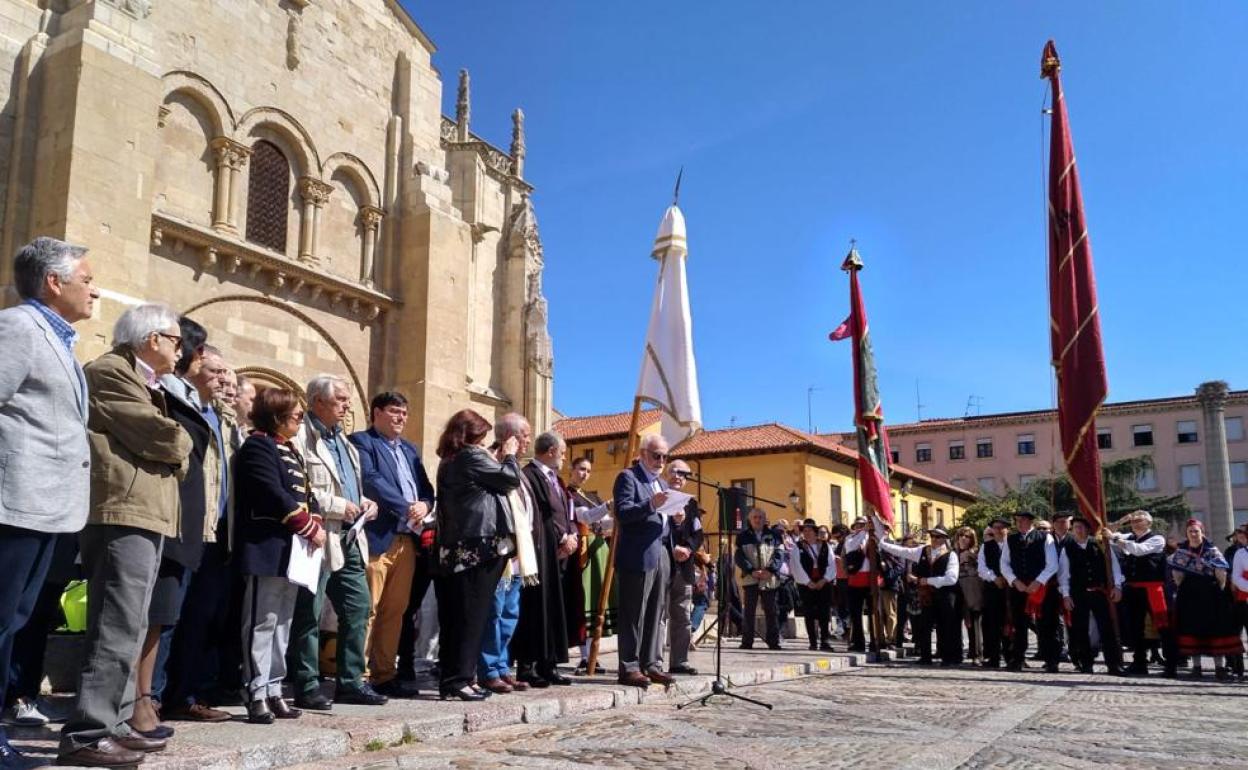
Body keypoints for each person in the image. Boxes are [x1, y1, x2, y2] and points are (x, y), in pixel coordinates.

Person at [58, 304, 193, 767]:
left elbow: (167, 443)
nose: (181, 351)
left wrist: (174, 446)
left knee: (132, 623)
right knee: (114, 624)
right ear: (152, 339)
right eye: (176, 341)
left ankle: (114, 723)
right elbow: (167, 438)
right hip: (122, 509)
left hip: (146, 511)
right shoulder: (110, 372)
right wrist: (179, 443)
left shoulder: (143, 380)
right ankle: (87, 732)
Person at [0, 237, 96, 764]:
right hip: (14, 502)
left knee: (13, 620)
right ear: (54, 283)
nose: (95, 291)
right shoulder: (19, 328)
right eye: (87, 280)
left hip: (44, 509)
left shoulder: (59, 340)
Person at [145, 333, 227, 729]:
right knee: (165, 616)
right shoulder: (172, 399)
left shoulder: (214, 415)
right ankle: (150, 699)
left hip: (211, 531)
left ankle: (181, 695)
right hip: (180, 525)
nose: (223, 379)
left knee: (196, 619)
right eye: (216, 371)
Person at [288, 375, 384, 710]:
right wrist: (337, 505)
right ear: (317, 401)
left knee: (358, 606)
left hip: (350, 536)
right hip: (318, 534)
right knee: (309, 612)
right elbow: (297, 486)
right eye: (340, 399)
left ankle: (351, 681)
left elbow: (349, 485)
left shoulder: (344, 441)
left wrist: (364, 502)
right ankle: (306, 683)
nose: (347, 405)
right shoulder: (300, 436)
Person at [234, 388, 323, 724]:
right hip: (266, 547)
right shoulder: (259, 445)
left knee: (283, 623)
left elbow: (305, 494)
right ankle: (255, 691)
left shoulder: (289, 449)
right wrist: (308, 526)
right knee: (261, 623)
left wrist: (314, 522)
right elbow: (270, 492)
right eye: (295, 412)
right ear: (276, 415)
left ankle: (274, 689)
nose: (300, 417)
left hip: (292, 551)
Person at [349, 392, 435, 698]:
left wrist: (424, 505)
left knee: (395, 611)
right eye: (395, 411)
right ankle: (358, 676)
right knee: (368, 608)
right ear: (377, 412)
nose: (401, 418)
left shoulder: (410, 450)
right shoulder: (362, 442)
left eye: (404, 413)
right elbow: (372, 480)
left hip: (406, 540)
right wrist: (406, 507)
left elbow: (426, 488)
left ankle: (385, 674)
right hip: (378, 537)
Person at [434, 409, 520, 701]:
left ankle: (453, 679)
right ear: (469, 436)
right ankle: (460, 680)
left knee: (458, 617)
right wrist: (509, 455)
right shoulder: (470, 456)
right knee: (471, 617)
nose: (484, 443)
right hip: (478, 547)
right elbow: (509, 479)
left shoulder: (451, 458)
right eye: (481, 437)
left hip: (459, 548)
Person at [477, 417, 539, 694]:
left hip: (517, 555)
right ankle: (488, 669)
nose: (528, 440)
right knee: (494, 613)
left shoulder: (518, 469)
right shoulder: (493, 463)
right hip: (499, 552)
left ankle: (502, 667)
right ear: (510, 437)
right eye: (524, 435)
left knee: (509, 614)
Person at [612, 434, 675, 688]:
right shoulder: (628, 477)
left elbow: (662, 519)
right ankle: (629, 667)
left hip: (660, 552)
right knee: (633, 613)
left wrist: (676, 518)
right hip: (637, 554)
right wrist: (650, 504)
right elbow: (622, 512)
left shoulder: (662, 482)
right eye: (656, 455)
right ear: (643, 454)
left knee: (655, 612)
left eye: (665, 457)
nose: (661, 461)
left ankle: (651, 664)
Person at [515, 430, 576, 687]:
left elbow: (564, 512)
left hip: (557, 553)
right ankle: (528, 666)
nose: (564, 458)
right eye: (562, 453)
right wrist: (562, 537)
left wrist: (571, 535)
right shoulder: (530, 476)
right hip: (540, 551)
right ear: (551, 451)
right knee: (534, 609)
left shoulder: (555, 479)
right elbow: (540, 513)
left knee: (552, 609)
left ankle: (549, 663)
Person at [1168, 519, 1241, 679]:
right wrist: (1183, 587)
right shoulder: (1181, 552)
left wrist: (1219, 588)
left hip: (1211, 593)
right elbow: (1177, 574)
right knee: (1192, 628)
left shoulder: (1212, 550)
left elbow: (1221, 572)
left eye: (1196, 531)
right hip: (1189, 594)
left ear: (1202, 532)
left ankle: (1219, 667)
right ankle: (1196, 667)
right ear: (1186, 534)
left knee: (1215, 628)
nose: (1193, 534)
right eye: (1190, 531)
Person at [879, 525, 960, 665]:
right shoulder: (922, 550)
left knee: (945, 626)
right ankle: (925, 656)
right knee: (924, 625)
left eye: (938, 537)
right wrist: (882, 543)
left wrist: (928, 580)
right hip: (927, 595)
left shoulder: (951, 555)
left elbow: (951, 578)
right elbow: (902, 551)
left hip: (945, 595)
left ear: (944, 539)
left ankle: (947, 657)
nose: (934, 539)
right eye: (932, 536)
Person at [1110, 510, 1175, 676]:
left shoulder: (1157, 539)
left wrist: (1116, 539)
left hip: (1153, 588)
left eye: (1139, 520)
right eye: (1133, 521)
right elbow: (1107, 532)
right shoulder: (1129, 537)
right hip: (1134, 588)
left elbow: (1139, 550)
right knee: (1135, 627)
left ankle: (1171, 665)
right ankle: (1139, 662)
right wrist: (1122, 520)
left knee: (1163, 625)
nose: (1135, 523)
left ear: (1148, 523)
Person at [1057, 516, 1124, 675]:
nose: (1078, 530)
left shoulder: (1101, 544)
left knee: (1107, 628)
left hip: (1100, 593)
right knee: (1080, 629)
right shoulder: (1067, 548)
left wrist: (1117, 586)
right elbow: (1063, 574)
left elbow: (1114, 567)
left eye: (1081, 527)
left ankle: (1114, 664)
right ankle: (1086, 663)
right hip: (1078, 594)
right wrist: (1066, 595)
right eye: (1076, 527)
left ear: (1088, 529)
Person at [567, 457, 614, 675]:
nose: (585, 474)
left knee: (596, 603)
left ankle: (593, 656)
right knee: (583, 601)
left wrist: (620, 517)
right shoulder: (568, 494)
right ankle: (585, 656)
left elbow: (603, 524)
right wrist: (608, 506)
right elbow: (584, 518)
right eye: (581, 469)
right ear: (572, 469)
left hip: (598, 550)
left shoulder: (591, 496)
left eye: (588, 470)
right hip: (582, 551)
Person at [1000, 511, 1059, 672]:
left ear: (1031, 521)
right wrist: (1014, 580)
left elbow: (1052, 564)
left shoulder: (1045, 537)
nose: (1019, 523)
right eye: (1017, 520)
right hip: (1019, 586)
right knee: (1019, 624)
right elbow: (1004, 563)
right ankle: (1017, 658)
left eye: (1023, 520)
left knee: (1046, 623)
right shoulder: (1010, 539)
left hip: (1040, 587)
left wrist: (1039, 581)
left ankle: (1051, 659)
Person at [664, 460, 703, 675]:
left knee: (683, 615)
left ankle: (679, 661)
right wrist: (672, 549)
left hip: (684, 566)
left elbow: (698, 533)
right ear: (666, 473)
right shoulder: (659, 496)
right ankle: (653, 663)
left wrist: (688, 548)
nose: (678, 477)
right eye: (674, 472)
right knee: (659, 616)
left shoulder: (691, 503)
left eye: (683, 474)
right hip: (662, 563)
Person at [735, 507, 784, 651]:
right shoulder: (742, 536)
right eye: (755, 517)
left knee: (771, 611)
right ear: (750, 519)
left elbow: (779, 554)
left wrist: (770, 570)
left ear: (765, 519)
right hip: (750, 578)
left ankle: (773, 642)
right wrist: (751, 570)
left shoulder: (775, 535)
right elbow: (739, 556)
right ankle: (747, 642)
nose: (757, 520)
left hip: (769, 579)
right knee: (748, 611)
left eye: (760, 517)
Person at [789, 519, 834, 651]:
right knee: (809, 612)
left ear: (815, 532)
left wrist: (824, 580)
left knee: (824, 612)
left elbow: (831, 564)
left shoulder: (825, 546)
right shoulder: (798, 547)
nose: (806, 533)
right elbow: (796, 565)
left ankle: (825, 640)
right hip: (806, 584)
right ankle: (812, 642)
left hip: (823, 583)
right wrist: (807, 581)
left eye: (809, 530)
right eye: (804, 531)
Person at [977, 518, 1011, 668]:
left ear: (1007, 529)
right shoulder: (986, 546)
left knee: (1011, 622)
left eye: (1001, 527)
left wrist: (1009, 578)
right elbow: (981, 568)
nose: (998, 530)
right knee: (993, 624)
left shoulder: (1013, 544)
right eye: (996, 528)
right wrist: (994, 578)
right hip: (992, 588)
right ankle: (994, 657)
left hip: (1011, 588)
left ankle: (1012, 657)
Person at [841, 517, 878, 653]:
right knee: (855, 613)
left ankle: (876, 641)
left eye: (863, 525)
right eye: (858, 525)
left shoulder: (872, 536)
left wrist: (870, 533)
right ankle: (858, 642)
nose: (860, 527)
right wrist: (865, 532)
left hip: (870, 579)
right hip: (855, 579)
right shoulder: (850, 539)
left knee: (873, 612)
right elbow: (850, 549)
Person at [955, 527, 983, 664]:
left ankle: (976, 654)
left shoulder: (976, 552)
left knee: (974, 622)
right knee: (957, 622)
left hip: (972, 589)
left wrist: (972, 557)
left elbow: (980, 570)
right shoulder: (953, 553)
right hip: (956, 589)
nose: (963, 538)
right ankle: (957, 652)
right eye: (961, 535)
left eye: (967, 536)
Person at [1227, 525, 1248, 680]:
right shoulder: (1240, 553)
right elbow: (1236, 576)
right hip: (1243, 598)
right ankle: (1238, 668)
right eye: (1238, 533)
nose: (1239, 535)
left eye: (1242, 532)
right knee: (1236, 633)